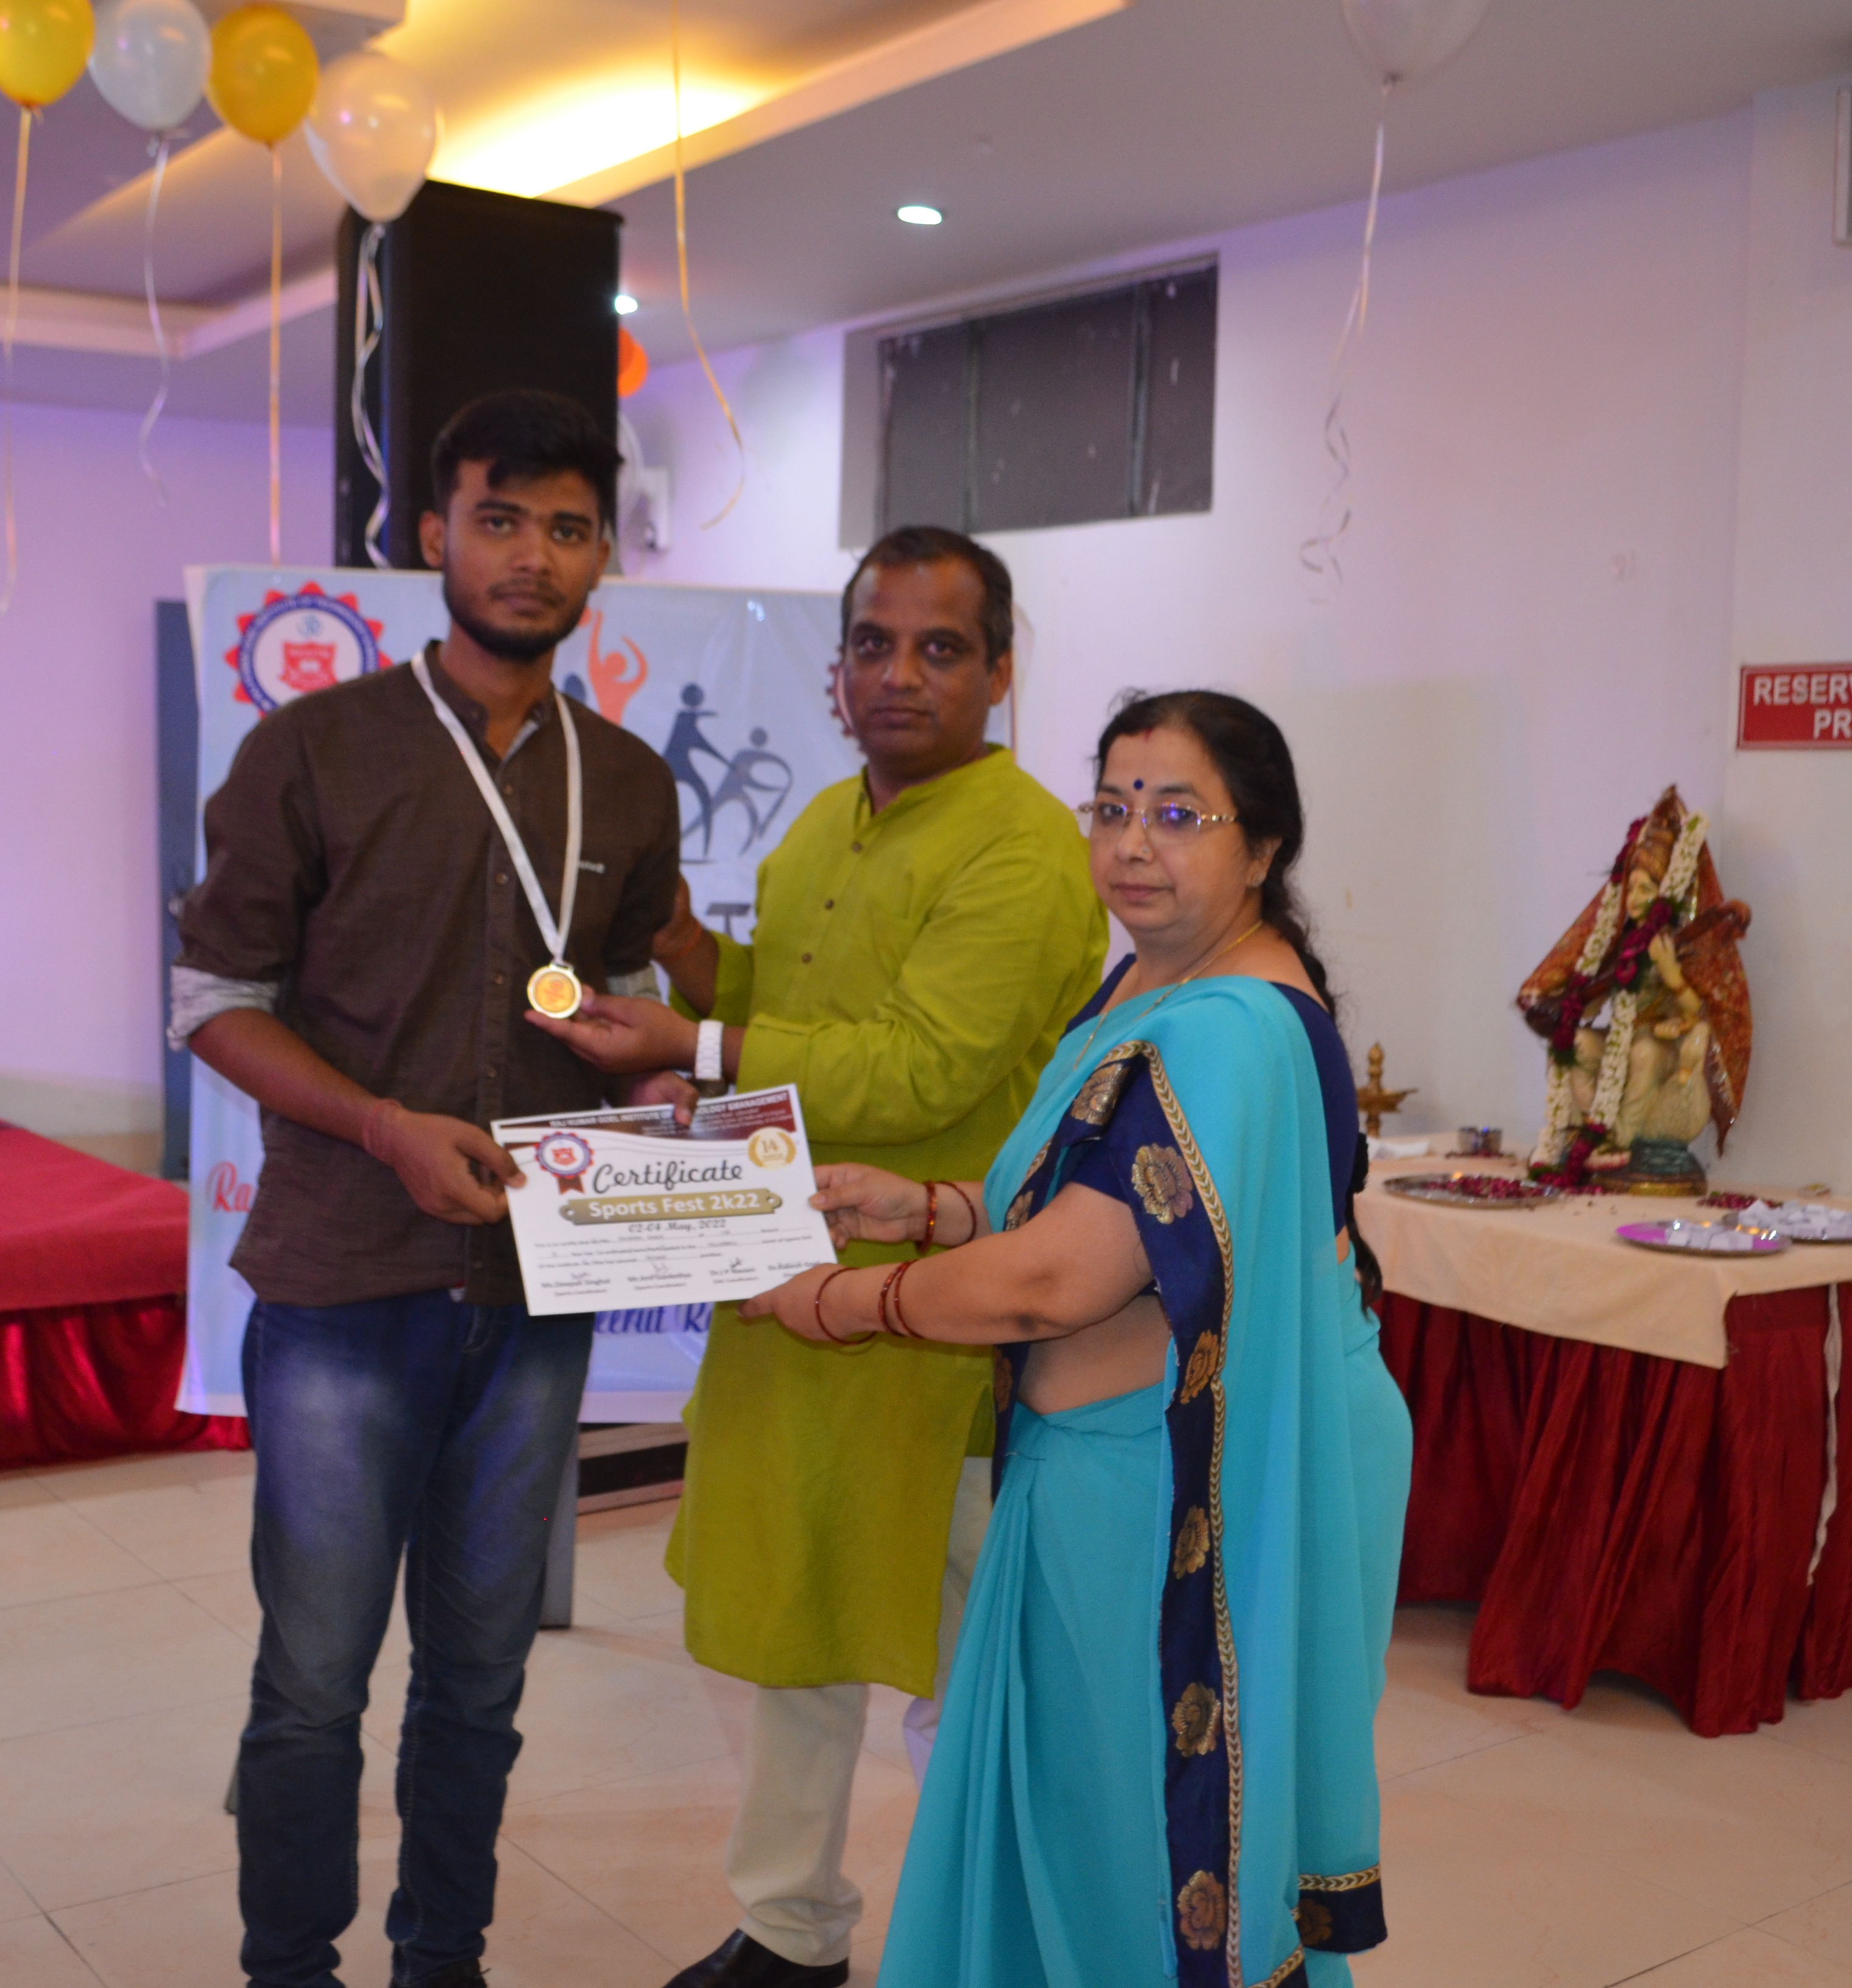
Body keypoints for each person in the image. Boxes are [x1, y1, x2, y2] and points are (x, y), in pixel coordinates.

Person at [740, 689, 1409, 1988]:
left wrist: (841, 1302)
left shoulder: (1231, 1028)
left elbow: (1059, 1281)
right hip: (1113, 1469)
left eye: (1180, 815)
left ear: (1263, 848)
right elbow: (1095, 1200)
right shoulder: (1156, 980)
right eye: (1111, 808)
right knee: (1076, 1820)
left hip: (1174, 1491)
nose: (1132, 844)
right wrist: (924, 1208)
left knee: (1134, 1856)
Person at [531, 527, 1105, 1988]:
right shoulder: (824, 823)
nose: (898, 674)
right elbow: (782, 1006)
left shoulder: (1024, 845)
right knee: (799, 1623)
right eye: (872, 644)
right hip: (791, 1282)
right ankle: (791, 1931)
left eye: (940, 647)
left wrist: (703, 1037)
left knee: (972, 1655)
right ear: (837, 666)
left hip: (937, 1310)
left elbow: (920, 1070)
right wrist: (679, 951)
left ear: (1000, 672)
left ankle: (1020, 1935)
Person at [171, 389, 684, 1988]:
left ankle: (441, 1958)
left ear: (602, 556)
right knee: (314, 1681)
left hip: (536, 1290)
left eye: (568, 528)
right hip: (342, 1281)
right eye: (499, 518)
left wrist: (659, 1091)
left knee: (480, 1679)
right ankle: (289, 1968)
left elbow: (624, 998)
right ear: (431, 536)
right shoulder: (316, 747)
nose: (533, 557)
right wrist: (381, 1124)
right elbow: (214, 1003)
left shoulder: (627, 781)